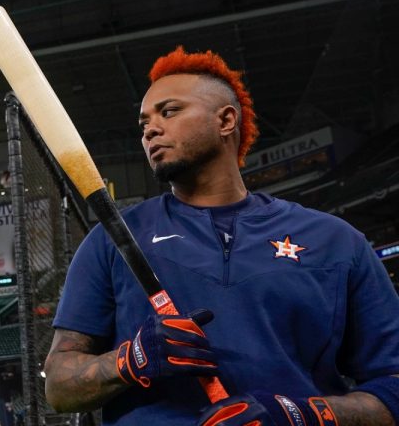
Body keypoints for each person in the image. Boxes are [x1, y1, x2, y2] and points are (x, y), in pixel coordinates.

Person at [44, 46, 399, 425]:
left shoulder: (337, 242)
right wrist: (129, 360)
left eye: (169, 111)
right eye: (143, 122)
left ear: (226, 120)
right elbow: (59, 388)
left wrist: (299, 415)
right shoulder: (110, 240)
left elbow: (392, 387)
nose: (150, 129)